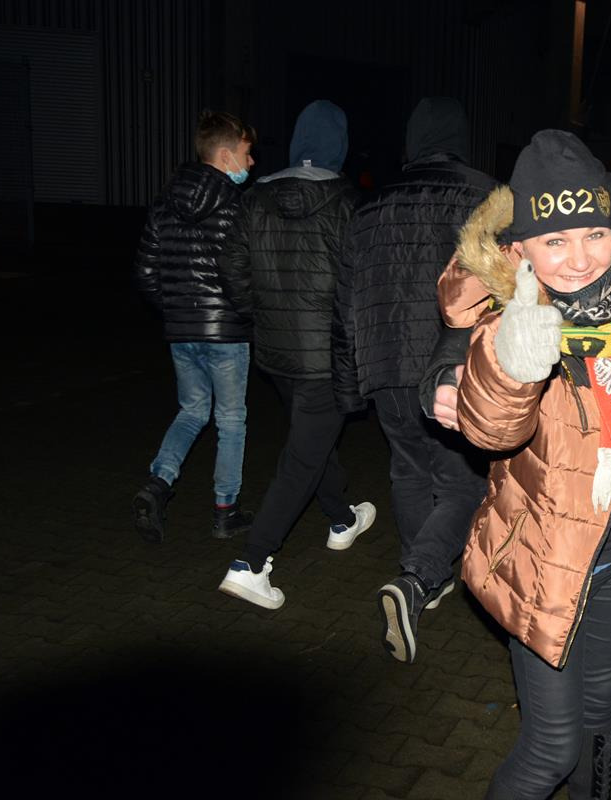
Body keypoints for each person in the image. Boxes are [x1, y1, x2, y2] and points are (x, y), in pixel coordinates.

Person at [448, 130, 611, 799]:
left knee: (599, 726)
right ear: (519, 250)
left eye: (594, 234)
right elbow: (490, 427)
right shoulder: (512, 321)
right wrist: (516, 364)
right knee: (552, 748)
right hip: (544, 564)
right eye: (555, 240)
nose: (580, 257)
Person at [333, 97, 494, 660]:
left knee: (407, 470)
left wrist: (349, 381)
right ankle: (418, 578)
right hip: (451, 367)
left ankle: (420, 575)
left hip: (384, 364)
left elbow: (345, 299)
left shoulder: (370, 205)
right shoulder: (486, 197)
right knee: (462, 484)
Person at [215, 100, 372, 610]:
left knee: (311, 443)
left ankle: (342, 519)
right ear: (339, 146)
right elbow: (358, 286)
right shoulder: (347, 203)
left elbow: (231, 268)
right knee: (302, 456)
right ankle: (251, 563)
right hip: (325, 356)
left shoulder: (254, 200)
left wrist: (261, 314)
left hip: (277, 355)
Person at [133, 109, 258, 543]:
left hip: (181, 332)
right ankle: (226, 511)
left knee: (191, 411)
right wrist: (244, 312)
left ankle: (158, 484)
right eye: (246, 153)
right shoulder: (238, 205)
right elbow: (243, 272)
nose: (251, 162)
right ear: (225, 156)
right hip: (225, 332)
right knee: (231, 420)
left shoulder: (165, 202)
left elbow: (145, 272)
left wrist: (176, 310)